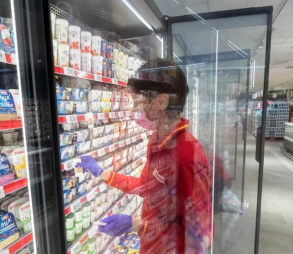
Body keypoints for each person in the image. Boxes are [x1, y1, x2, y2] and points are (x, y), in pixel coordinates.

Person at [77, 59, 213, 254]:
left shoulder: (185, 156)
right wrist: (102, 173)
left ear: (161, 102)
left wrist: (140, 226)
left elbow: (201, 238)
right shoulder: (157, 141)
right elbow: (146, 186)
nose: (134, 110)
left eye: (137, 102)